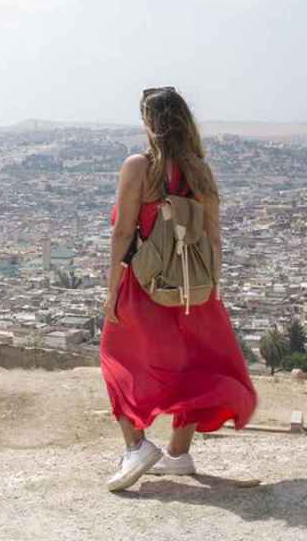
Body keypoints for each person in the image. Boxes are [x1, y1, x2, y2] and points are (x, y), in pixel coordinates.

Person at [101, 87, 257, 492]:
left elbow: (122, 232)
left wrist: (112, 288)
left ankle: (137, 448)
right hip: (195, 286)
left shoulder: (139, 167)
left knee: (117, 358)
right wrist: (211, 289)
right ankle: (178, 454)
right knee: (194, 365)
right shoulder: (200, 171)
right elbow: (214, 235)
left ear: (148, 123)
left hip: (146, 283)